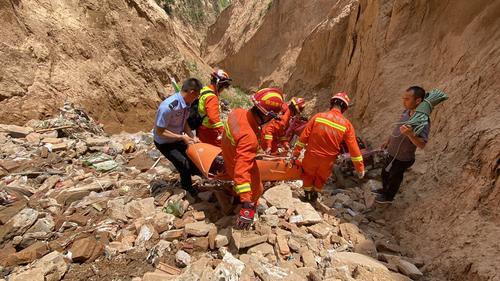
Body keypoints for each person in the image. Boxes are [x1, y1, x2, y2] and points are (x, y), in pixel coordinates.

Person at [222, 88, 285, 229]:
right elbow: (242, 169)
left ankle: (236, 194)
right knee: (257, 188)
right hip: (235, 165)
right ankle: (245, 209)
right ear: (266, 116)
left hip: (228, 156)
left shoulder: (237, 112)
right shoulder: (249, 138)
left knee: (243, 183)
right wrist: (246, 203)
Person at [293, 92, 365, 202]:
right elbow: (354, 148)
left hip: (311, 155)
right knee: (321, 178)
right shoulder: (347, 125)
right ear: (344, 108)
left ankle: (307, 195)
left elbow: (303, 137)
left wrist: (295, 154)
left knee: (308, 174)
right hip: (328, 161)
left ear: (331, 104)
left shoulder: (318, 117)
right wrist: (360, 167)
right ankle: (314, 196)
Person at [375, 86, 430, 203]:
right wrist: (388, 141)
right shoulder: (406, 112)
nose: (403, 102)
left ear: (418, 101)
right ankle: (384, 190)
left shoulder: (422, 120)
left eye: (407, 99)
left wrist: (410, 134)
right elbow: (397, 128)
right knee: (385, 172)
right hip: (392, 152)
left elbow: (422, 144)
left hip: (403, 158)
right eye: (403, 98)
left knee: (395, 177)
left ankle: (388, 197)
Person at [153, 78, 203, 197]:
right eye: (197, 95)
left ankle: (195, 176)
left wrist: (192, 136)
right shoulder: (168, 107)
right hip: (164, 142)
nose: (197, 98)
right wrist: (181, 137)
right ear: (191, 92)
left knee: (192, 158)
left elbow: (184, 122)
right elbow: (160, 131)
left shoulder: (187, 103)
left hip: (177, 138)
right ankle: (187, 189)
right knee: (183, 163)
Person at [196, 69, 232, 147]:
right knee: (223, 149)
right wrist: (222, 131)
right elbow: (213, 118)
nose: (223, 89)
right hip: (209, 130)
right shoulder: (212, 97)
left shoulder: (204, 89)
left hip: (201, 128)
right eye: (223, 86)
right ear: (218, 83)